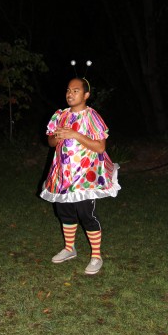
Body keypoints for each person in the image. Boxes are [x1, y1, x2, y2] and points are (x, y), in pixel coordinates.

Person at [40, 77, 121, 275]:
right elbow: (50, 142)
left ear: (86, 95)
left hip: (85, 176)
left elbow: (100, 147)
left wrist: (75, 135)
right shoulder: (60, 115)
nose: (70, 94)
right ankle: (70, 249)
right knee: (64, 212)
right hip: (62, 176)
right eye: (68, 90)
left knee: (86, 214)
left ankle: (96, 256)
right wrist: (56, 137)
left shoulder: (91, 117)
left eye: (75, 91)